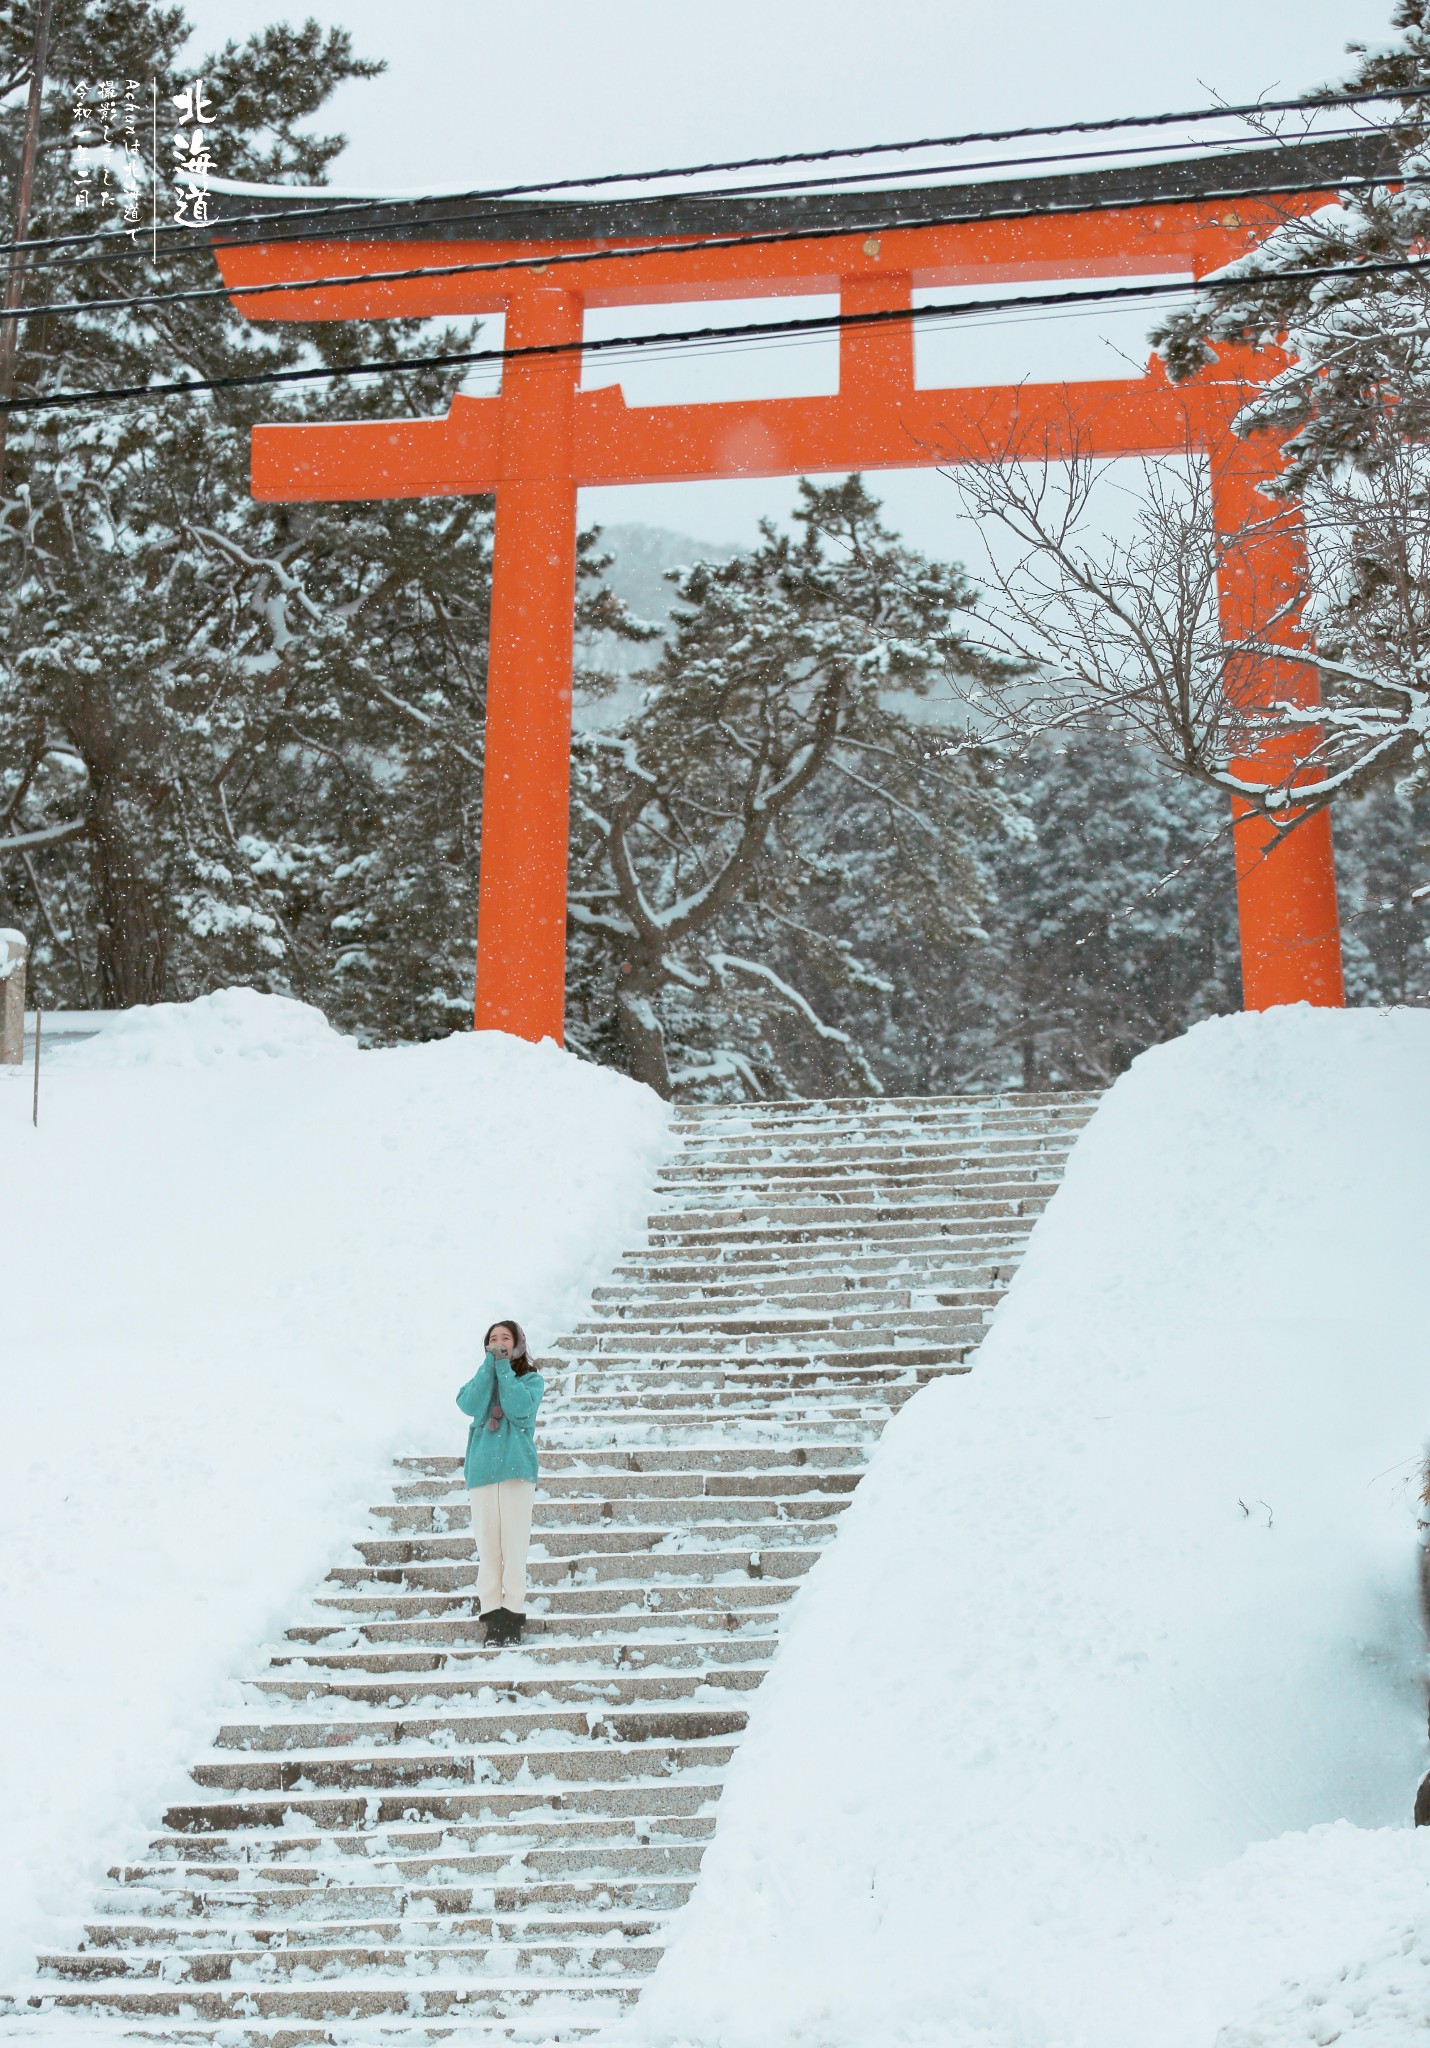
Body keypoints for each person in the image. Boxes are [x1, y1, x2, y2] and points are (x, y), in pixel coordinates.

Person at [456, 1319, 544, 1646]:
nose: (498, 1342)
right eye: (492, 1338)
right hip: (481, 1472)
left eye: (505, 1338)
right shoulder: (481, 1378)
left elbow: (520, 1409)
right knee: (488, 1547)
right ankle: (492, 1615)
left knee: (514, 1546)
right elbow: (467, 1404)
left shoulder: (531, 1380)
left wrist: (504, 1370)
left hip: (516, 1471)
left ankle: (513, 1616)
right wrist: (488, 1368)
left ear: (517, 1344)